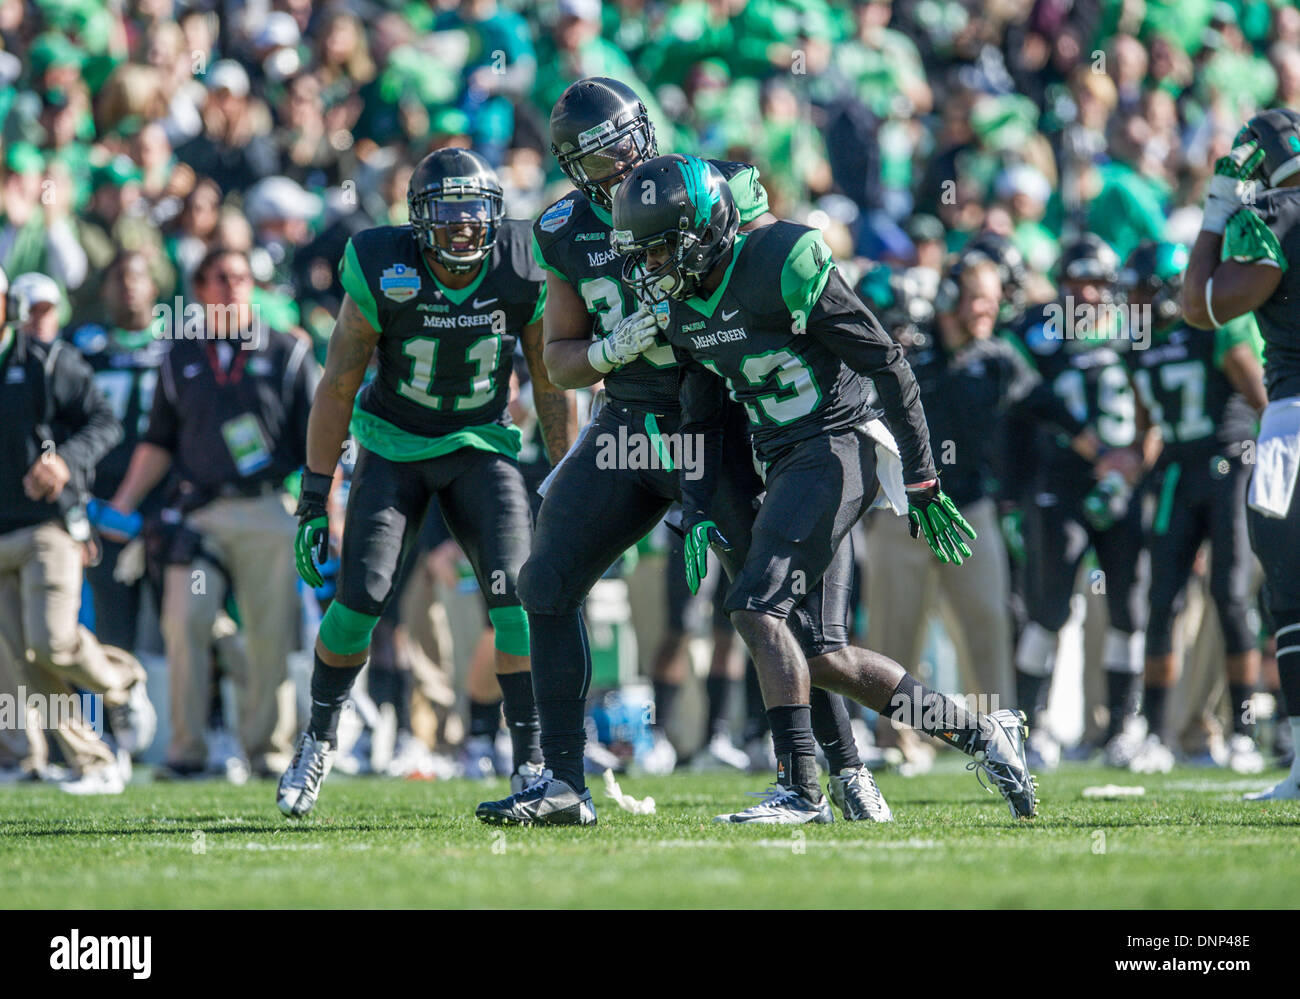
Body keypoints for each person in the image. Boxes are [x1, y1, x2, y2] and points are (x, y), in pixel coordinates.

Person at [476, 79, 876, 828]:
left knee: (776, 614)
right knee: (546, 580)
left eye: (628, 138)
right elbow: (559, 361)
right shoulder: (562, 228)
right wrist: (608, 345)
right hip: (629, 423)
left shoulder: (714, 182)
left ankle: (839, 771)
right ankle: (563, 781)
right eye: (601, 154)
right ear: (571, 167)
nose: (625, 159)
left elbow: (770, 276)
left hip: (717, 423)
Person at [609, 154, 1038, 823]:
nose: (654, 265)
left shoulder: (781, 257)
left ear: (707, 227)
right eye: (645, 251)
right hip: (785, 459)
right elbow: (700, 416)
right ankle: (983, 733)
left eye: (664, 246)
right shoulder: (682, 306)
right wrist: (695, 508)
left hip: (838, 444)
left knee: (755, 608)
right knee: (821, 652)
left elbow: (888, 362)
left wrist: (923, 477)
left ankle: (802, 788)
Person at [277, 147, 575, 817]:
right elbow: (336, 386)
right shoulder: (384, 262)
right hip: (393, 445)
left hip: (483, 445)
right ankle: (318, 740)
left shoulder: (522, 260)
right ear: (419, 220)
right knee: (360, 600)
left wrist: (566, 476)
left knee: (518, 604)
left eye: (477, 216)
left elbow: (549, 380)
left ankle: (529, 759)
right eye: (451, 217)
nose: (467, 230)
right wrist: (315, 495)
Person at [108, 247, 315, 779]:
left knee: (269, 633)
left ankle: (267, 753)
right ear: (200, 289)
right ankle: (187, 751)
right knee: (187, 619)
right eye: (220, 278)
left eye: (242, 278)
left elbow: (320, 435)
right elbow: (158, 440)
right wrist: (123, 503)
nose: (232, 287)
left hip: (269, 508)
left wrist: (326, 504)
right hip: (201, 514)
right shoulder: (180, 355)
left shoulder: (287, 350)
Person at [867, 255, 1098, 710]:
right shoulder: (908, 347)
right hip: (902, 512)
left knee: (990, 626)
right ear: (951, 298)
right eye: (978, 301)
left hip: (968, 509)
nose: (987, 313)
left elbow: (1048, 408)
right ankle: (892, 744)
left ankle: (999, 734)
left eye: (993, 303)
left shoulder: (998, 358)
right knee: (894, 638)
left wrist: (1107, 455)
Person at [1182, 109, 1300, 799]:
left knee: (1289, 596)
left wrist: (1217, 211)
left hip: (1291, 418)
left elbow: (1201, 306)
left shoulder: (1276, 212)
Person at [0, 263, 153, 794]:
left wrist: (64, 460)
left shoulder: (50, 362)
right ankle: (93, 761)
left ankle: (124, 681)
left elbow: (105, 422)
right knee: (27, 662)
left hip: (48, 526)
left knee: (54, 641)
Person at [1006, 235, 1155, 770]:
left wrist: (1136, 459)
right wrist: (1092, 449)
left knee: (1128, 609)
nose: (1087, 293)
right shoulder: (1036, 333)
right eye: (1077, 282)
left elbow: (1154, 404)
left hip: (1124, 485)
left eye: (1096, 283)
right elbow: (1026, 399)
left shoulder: (1135, 332)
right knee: (1048, 606)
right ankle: (1029, 725)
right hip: (1059, 484)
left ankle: (1122, 725)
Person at [1121, 240, 1268, 774]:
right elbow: (1146, 431)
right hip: (1177, 474)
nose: (1132, 300)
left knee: (1229, 597)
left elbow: (1261, 399)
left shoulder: (1216, 326)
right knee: (1162, 602)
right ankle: (1157, 736)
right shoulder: (1137, 346)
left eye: (1140, 290)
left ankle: (1244, 733)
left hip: (1229, 464)